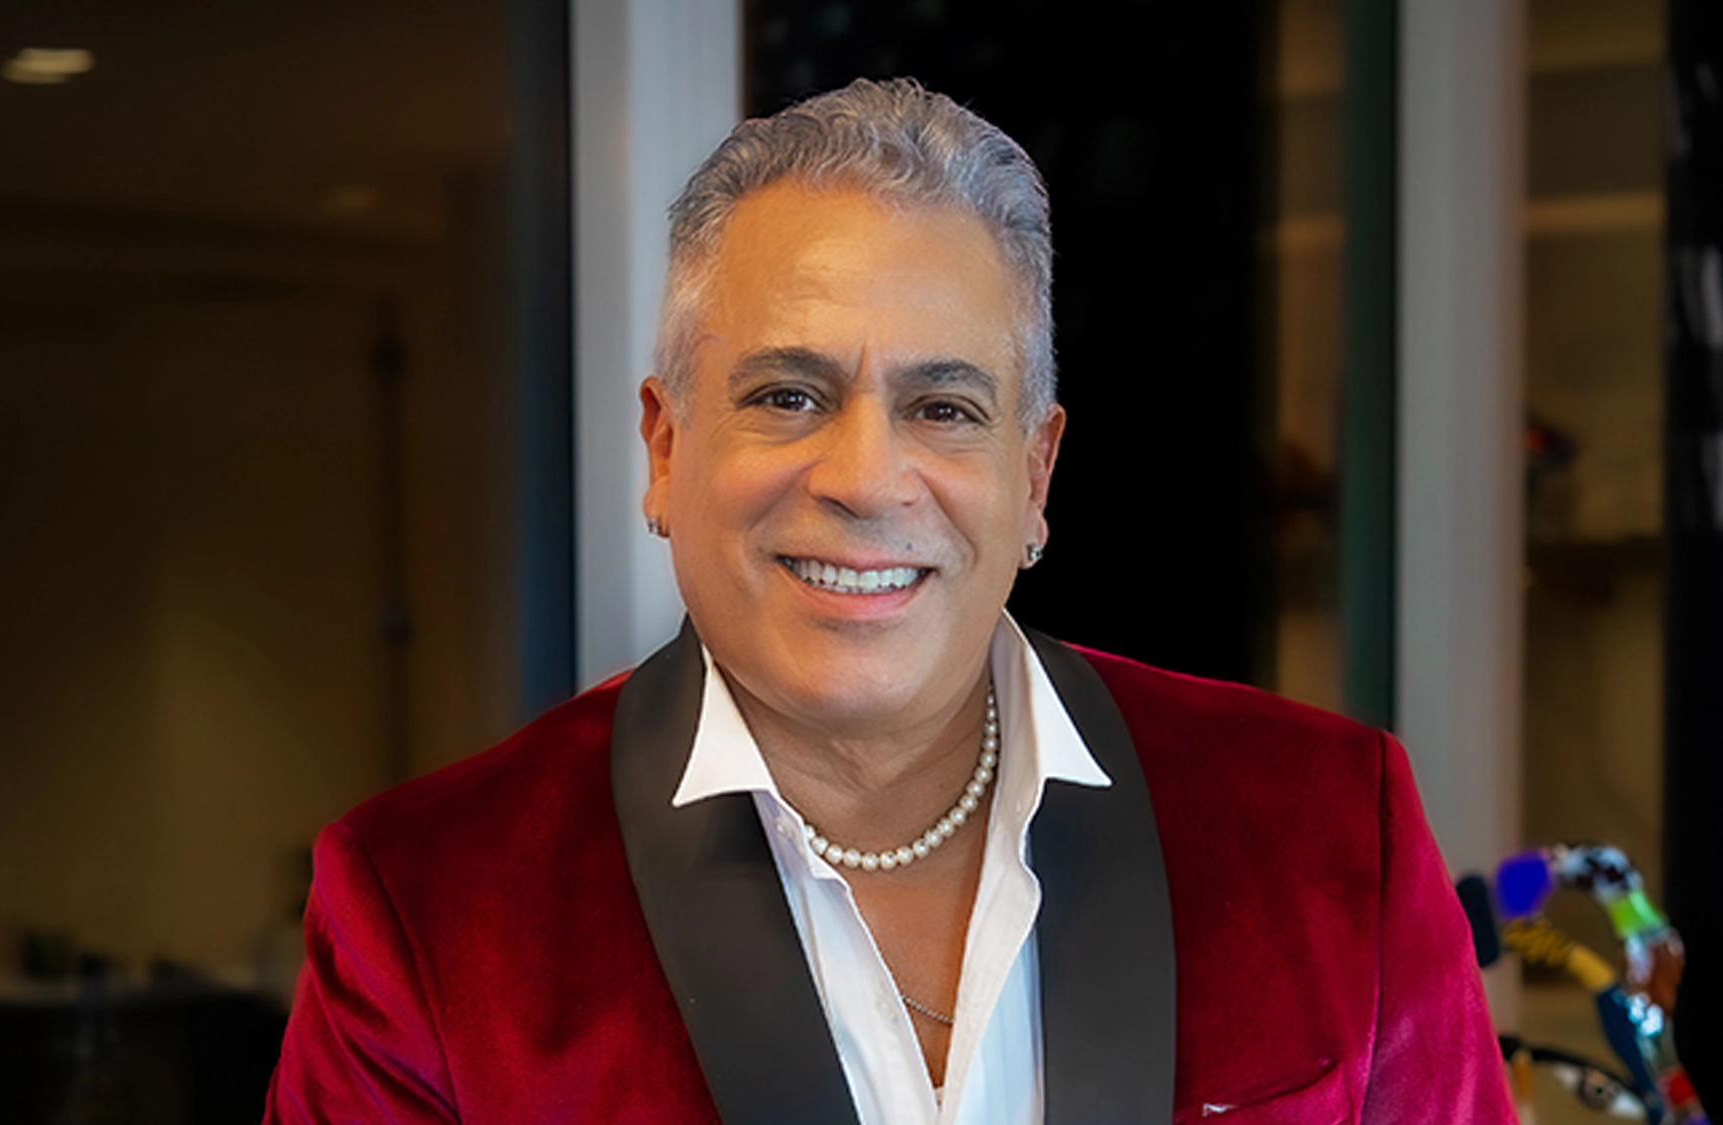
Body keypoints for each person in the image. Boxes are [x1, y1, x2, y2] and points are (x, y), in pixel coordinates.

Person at [263, 78, 1513, 1124]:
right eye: (787, 396)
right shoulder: (427, 911)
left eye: (944, 408)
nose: (866, 480)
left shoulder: (1329, 831)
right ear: (662, 449)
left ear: (1033, 477)